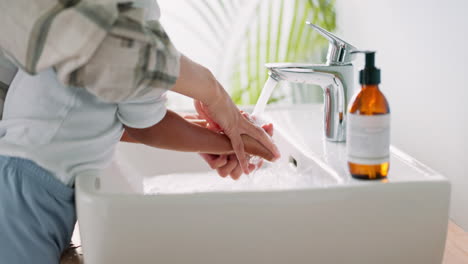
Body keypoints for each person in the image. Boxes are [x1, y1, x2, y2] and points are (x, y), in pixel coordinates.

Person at [0, 1, 280, 263]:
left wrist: (214, 133)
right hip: (30, 189)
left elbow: (123, 119)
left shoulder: (98, 15)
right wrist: (231, 141)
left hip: (26, 179)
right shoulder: (134, 20)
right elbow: (148, 127)